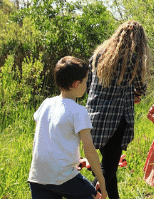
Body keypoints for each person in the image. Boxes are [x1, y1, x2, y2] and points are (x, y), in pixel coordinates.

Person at [86, 21, 151, 199]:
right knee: (107, 171)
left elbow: (90, 84)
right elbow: (140, 86)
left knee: (109, 168)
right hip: (115, 120)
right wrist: (136, 93)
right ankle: (82, 194)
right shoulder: (131, 59)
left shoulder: (98, 54)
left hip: (93, 117)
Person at [28, 56, 108, 199]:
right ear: (76, 84)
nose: (87, 85)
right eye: (85, 81)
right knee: (97, 197)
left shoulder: (46, 103)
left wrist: (74, 158)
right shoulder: (79, 111)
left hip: (37, 176)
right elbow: (89, 150)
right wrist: (102, 180)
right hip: (63, 178)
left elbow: (50, 134)